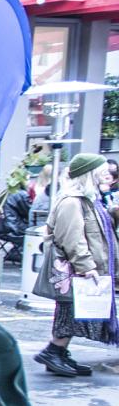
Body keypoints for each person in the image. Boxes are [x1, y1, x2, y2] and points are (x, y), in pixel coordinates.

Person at [34, 153, 117, 377]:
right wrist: (85, 266)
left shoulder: (88, 200)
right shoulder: (72, 202)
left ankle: (58, 352)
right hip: (74, 271)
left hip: (80, 270)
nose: (106, 176)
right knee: (69, 311)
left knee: (72, 312)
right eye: (101, 173)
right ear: (88, 175)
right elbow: (72, 238)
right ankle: (53, 351)